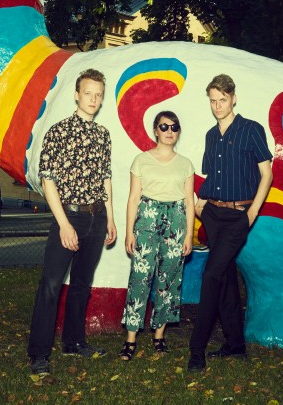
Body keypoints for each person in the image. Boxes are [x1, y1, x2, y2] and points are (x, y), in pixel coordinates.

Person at [28, 68, 117, 378]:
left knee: (81, 284)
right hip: (69, 215)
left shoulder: (103, 134)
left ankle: (74, 342)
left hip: (97, 217)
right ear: (77, 94)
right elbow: (48, 180)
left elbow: (105, 179)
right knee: (51, 285)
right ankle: (39, 354)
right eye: (88, 93)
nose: (93, 99)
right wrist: (64, 224)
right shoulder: (58, 131)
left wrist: (111, 218)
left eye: (98, 94)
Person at [187, 74, 273, 372]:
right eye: (213, 100)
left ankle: (196, 349)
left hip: (238, 215)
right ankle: (235, 344)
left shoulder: (251, 129)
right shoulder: (211, 135)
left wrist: (251, 213)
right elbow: (212, 176)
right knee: (223, 278)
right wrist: (200, 204)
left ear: (233, 98)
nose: (217, 106)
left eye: (222, 100)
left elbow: (267, 174)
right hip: (212, 214)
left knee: (211, 275)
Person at [119, 111, 196, 361]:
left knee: (169, 280)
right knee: (139, 278)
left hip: (176, 221)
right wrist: (129, 232)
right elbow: (133, 198)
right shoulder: (141, 160)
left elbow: (189, 202)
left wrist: (188, 236)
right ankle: (131, 338)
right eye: (164, 126)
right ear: (155, 130)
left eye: (174, 127)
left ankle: (159, 335)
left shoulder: (185, 164)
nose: (169, 131)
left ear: (178, 131)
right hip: (147, 219)